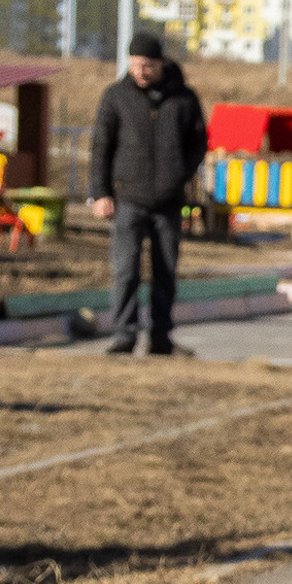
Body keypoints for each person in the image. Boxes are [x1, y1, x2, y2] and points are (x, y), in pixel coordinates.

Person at [87, 33, 206, 358]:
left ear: (161, 63)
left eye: (148, 66)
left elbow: (199, 144)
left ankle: (161, 339)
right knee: (126, 270)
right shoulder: (116, 97)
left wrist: (179, 174)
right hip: (127, 198)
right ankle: (124, 335)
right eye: (136, 64)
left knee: (165, 272)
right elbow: (101, 146)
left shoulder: (184, 99)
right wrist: (101, 193)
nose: (141, 71)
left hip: (168, 201)